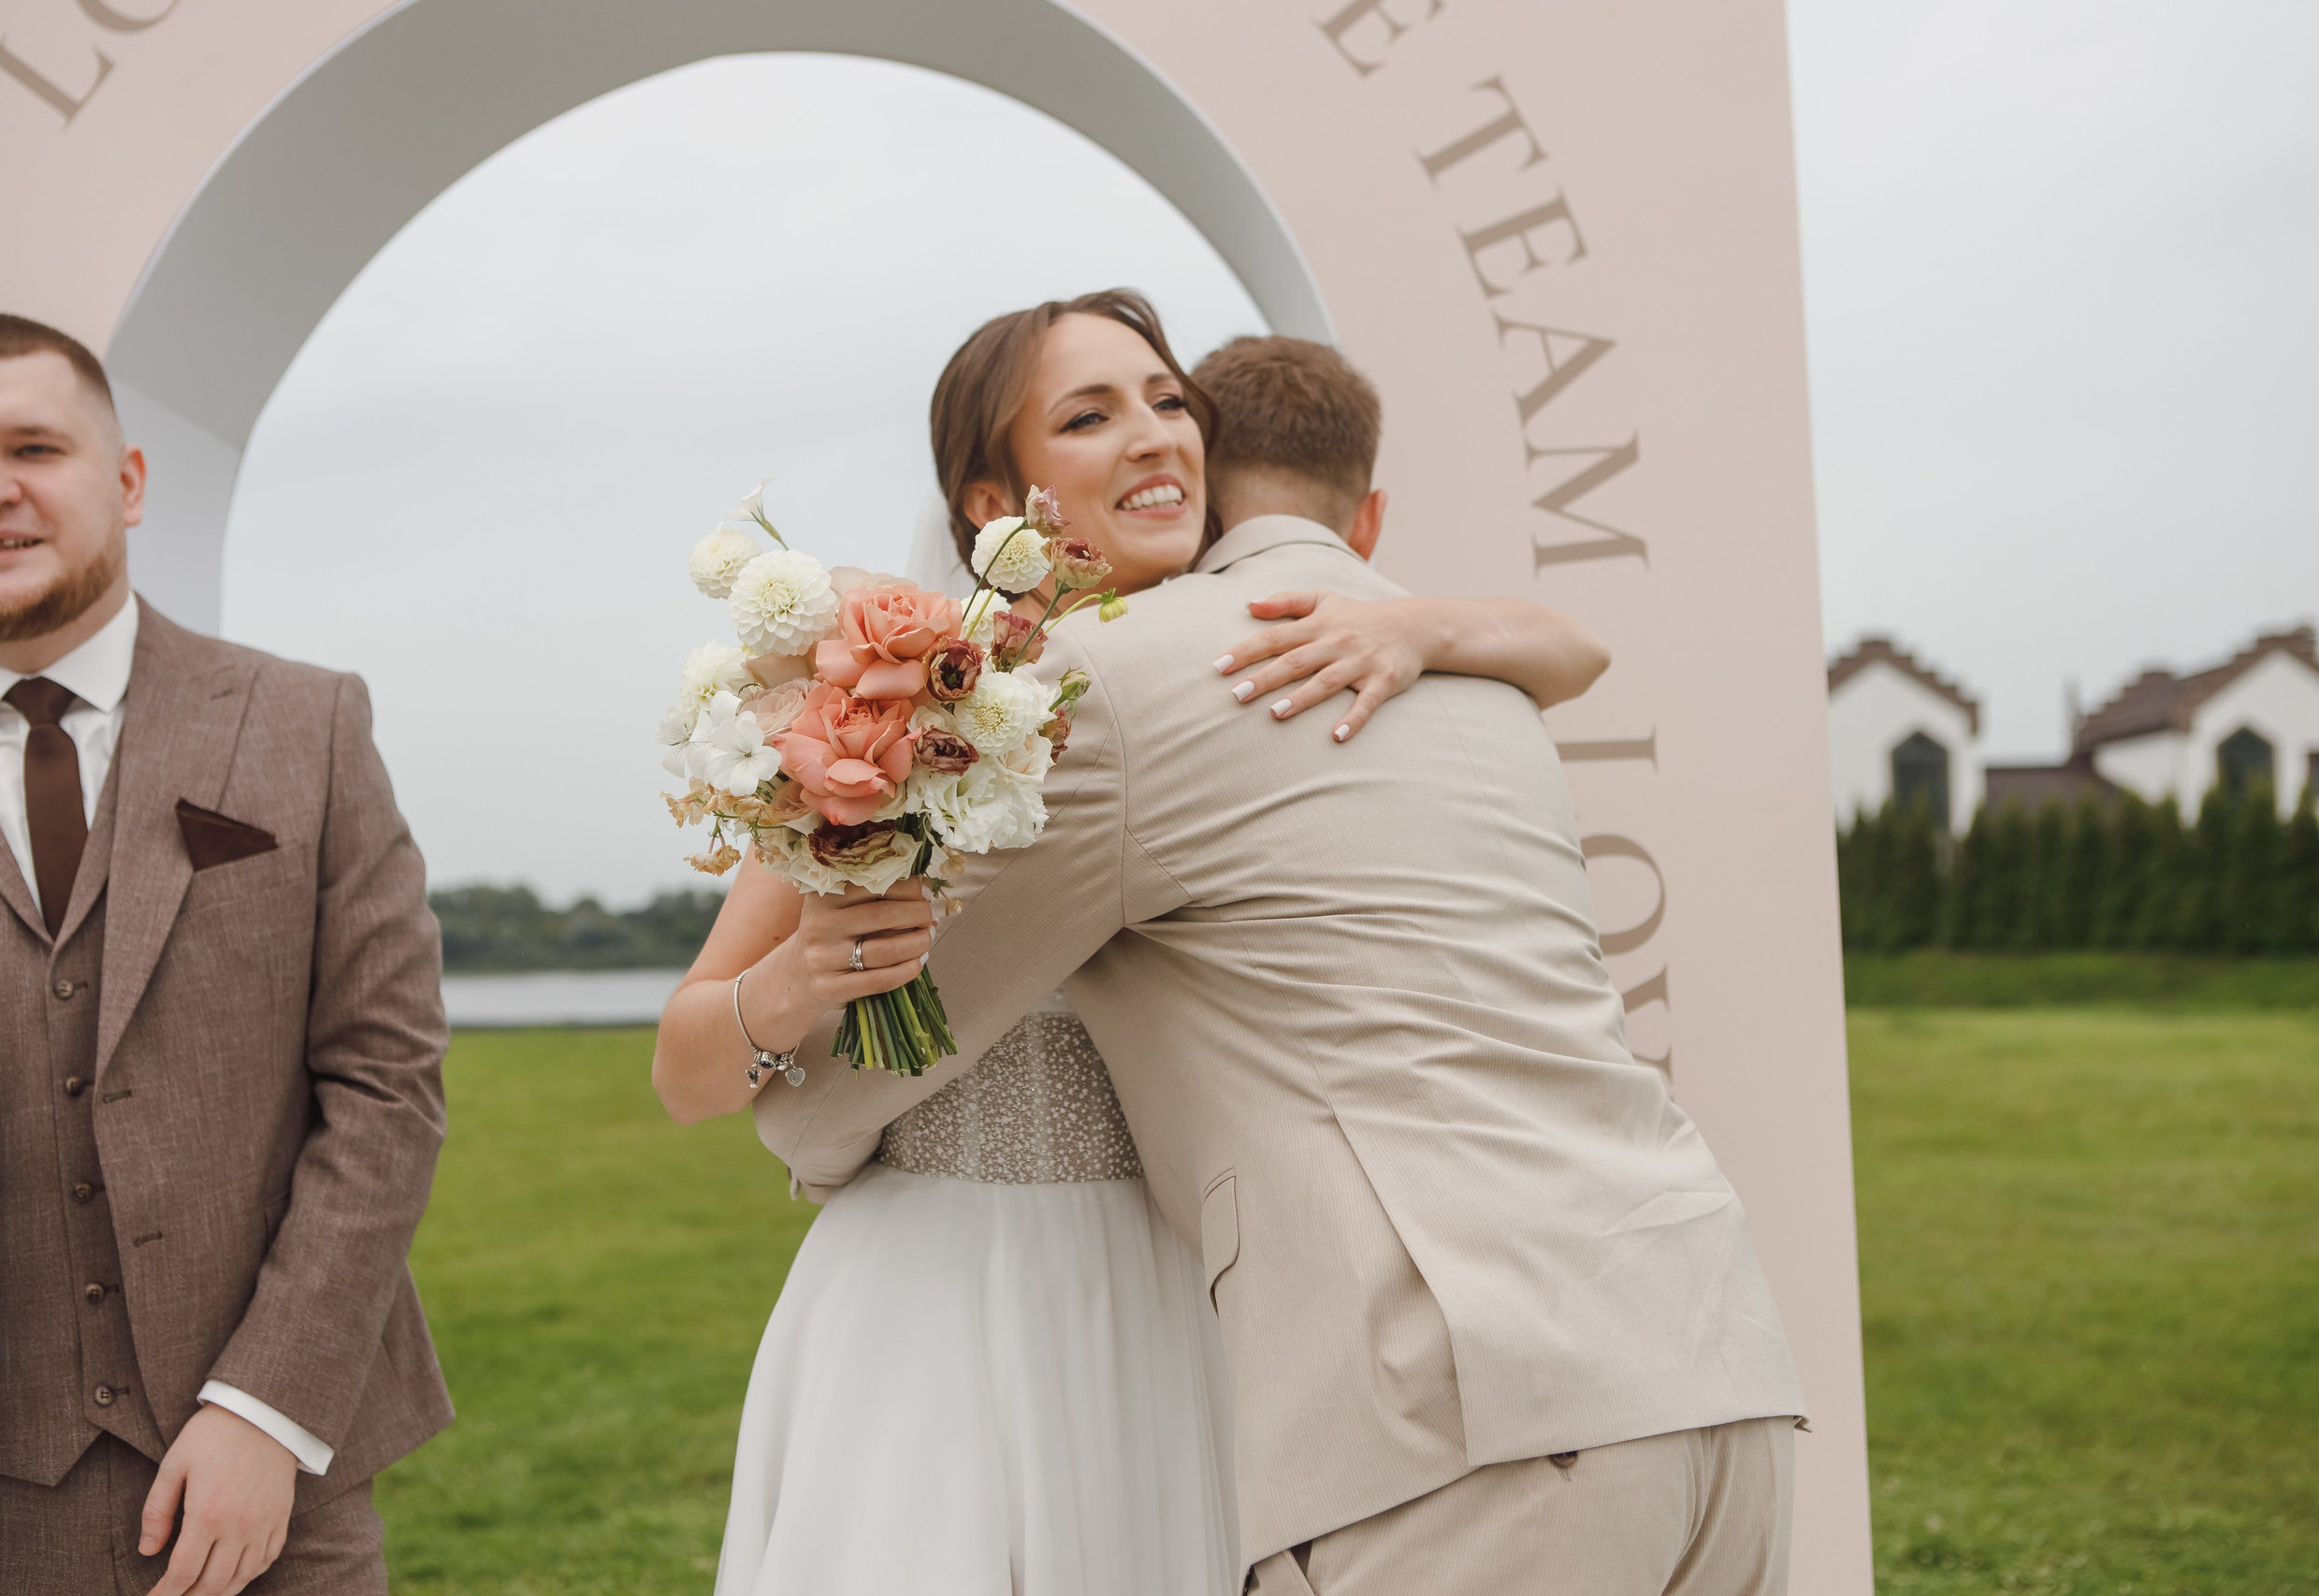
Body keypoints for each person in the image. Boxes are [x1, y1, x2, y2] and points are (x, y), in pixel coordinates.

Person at [746, 325, 1809, 1595]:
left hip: (1477, 1420)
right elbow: (1568, 647)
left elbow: (872, 1064)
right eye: (1097, 416)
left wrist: (795, 1097)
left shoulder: (1111, 689)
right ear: (1361, 516)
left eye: (1161, 405)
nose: (1145, 439)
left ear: (1208, 461)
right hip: (1714, 1356)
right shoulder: (1477, 672)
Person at [0, 313, 451, 1594]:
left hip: (271, 1498)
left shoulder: (305, 724)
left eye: (33, 445)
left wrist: (268, 1407)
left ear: (128, 480)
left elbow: (386, 1090)